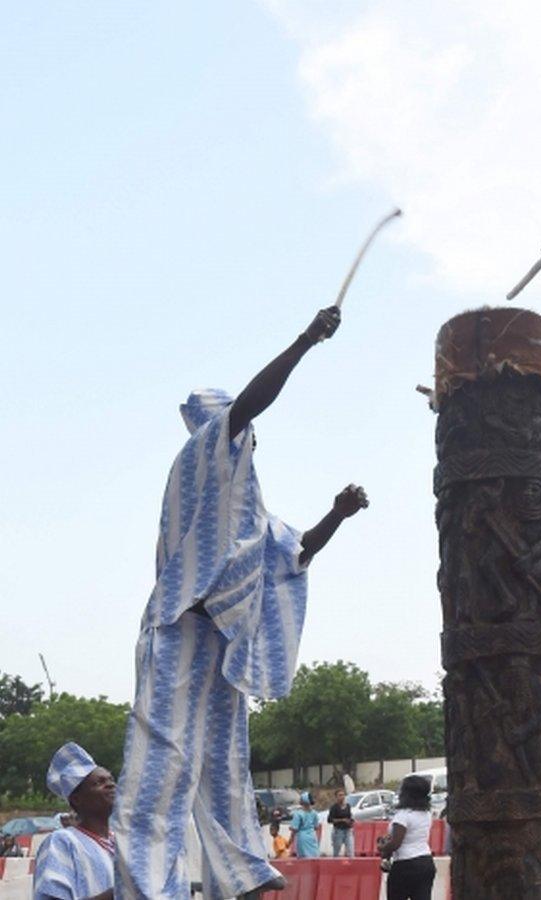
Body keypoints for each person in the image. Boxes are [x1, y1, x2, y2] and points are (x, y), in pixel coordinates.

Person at [111, 305, 369, 900]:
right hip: (179, 630)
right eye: (238, 421)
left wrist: (338, 511)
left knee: (226, 766)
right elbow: (251, 402)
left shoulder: (254, 514)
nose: (249, 431)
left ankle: (243, 873)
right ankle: (147, 887)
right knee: (164, 761)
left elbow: (298, 552)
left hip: (223, 647)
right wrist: (305, 341)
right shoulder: (199, 460)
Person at [33, 742, 115, 900]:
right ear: (76, 799)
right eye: (99, 782)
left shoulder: (121, 843)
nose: (110, 785)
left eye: (111, 779)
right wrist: (122, 891)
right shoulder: (62, 842)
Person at [378, 775, 436, 900]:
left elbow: (395, 844)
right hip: (426, 861)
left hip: (405, 865)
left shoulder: (403, 815)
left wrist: (382, 847)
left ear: (407, 794)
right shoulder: (426, 814)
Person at [287, 792, 320, 859]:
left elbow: (295, 829)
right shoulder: (314, 813)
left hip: (302, 837)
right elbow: (316, 827)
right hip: (312, 836)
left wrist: (290, 840)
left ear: (303, 800)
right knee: (313, 855)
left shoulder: (298, 813)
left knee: (303, 857)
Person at [327, 789, 354, 858]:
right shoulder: (334, 807)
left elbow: (350, 816)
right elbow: (330, 820)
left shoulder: (348, 806)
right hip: (338, 831)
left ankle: (351, 865)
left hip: (348, 830)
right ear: (336, 797)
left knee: (350, 850)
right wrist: (341, 820)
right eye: (340, 795)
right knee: (336, 852)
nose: (342, 797)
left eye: (343, 795)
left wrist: (351, 820)